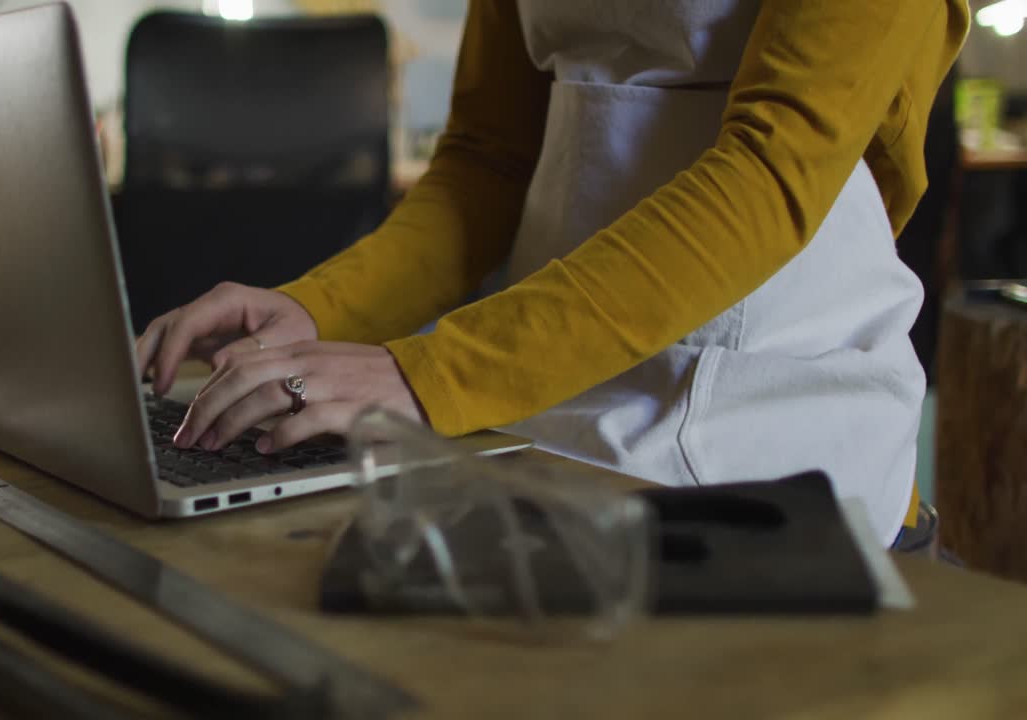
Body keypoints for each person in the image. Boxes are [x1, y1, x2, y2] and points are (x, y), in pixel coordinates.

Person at [135, 1, 970, 545]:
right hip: (547, 414)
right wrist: (315, 310)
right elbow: (485, 164)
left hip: (781, 436)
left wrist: (429, 370)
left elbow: (774, 169)